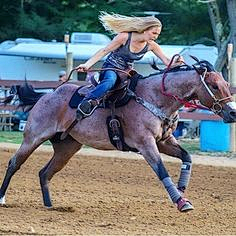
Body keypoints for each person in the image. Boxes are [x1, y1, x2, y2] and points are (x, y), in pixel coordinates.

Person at [76, 12, 183, 117]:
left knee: (141, 87)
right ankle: (87, 102)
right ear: (145, 30)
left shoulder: (152, 46)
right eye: (154, 33)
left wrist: (177, 62)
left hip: (127, 73)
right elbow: (104, 51)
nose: (156, 37)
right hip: (111, 67)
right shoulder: (124, 37)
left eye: (158, 34)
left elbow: (166, 62)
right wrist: (87, 64)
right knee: (110, 81)